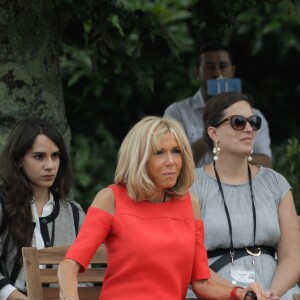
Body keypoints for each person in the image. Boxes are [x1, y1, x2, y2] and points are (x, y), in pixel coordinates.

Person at [57, 115, 268, 300]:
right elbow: (69, 265)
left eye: (176, 152)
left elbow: (202, 281)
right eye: (159, 153)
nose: (171, 161)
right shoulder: (111, 198)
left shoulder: (190, 203)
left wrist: (239, 293)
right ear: (139, 158)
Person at [189, 92, 300, 299]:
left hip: (275, 292)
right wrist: (240, 295)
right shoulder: (192, 186)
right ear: (214, 133)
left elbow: (292, 256)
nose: (249, 129)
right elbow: (190, 261)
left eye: (253, 122)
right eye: (238, 122)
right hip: (216, 293)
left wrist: (270, 294)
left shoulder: (276, 183)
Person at [0, 117, 85, 300]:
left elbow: (87, 277)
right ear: (19, 159)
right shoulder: (2, 204)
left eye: (55, 156)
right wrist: (14, 296)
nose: (50, 165)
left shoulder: (74, 214)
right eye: (39, 156)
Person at [163, 41, 272, 168]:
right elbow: (172, 162)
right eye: (209, 67)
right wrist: (213, 131)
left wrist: (233, 151)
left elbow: (266, 164)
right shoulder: (177, 113)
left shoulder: (254, 117)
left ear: (233, 70)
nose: (217, 74)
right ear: (197, 72)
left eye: (223, 66)